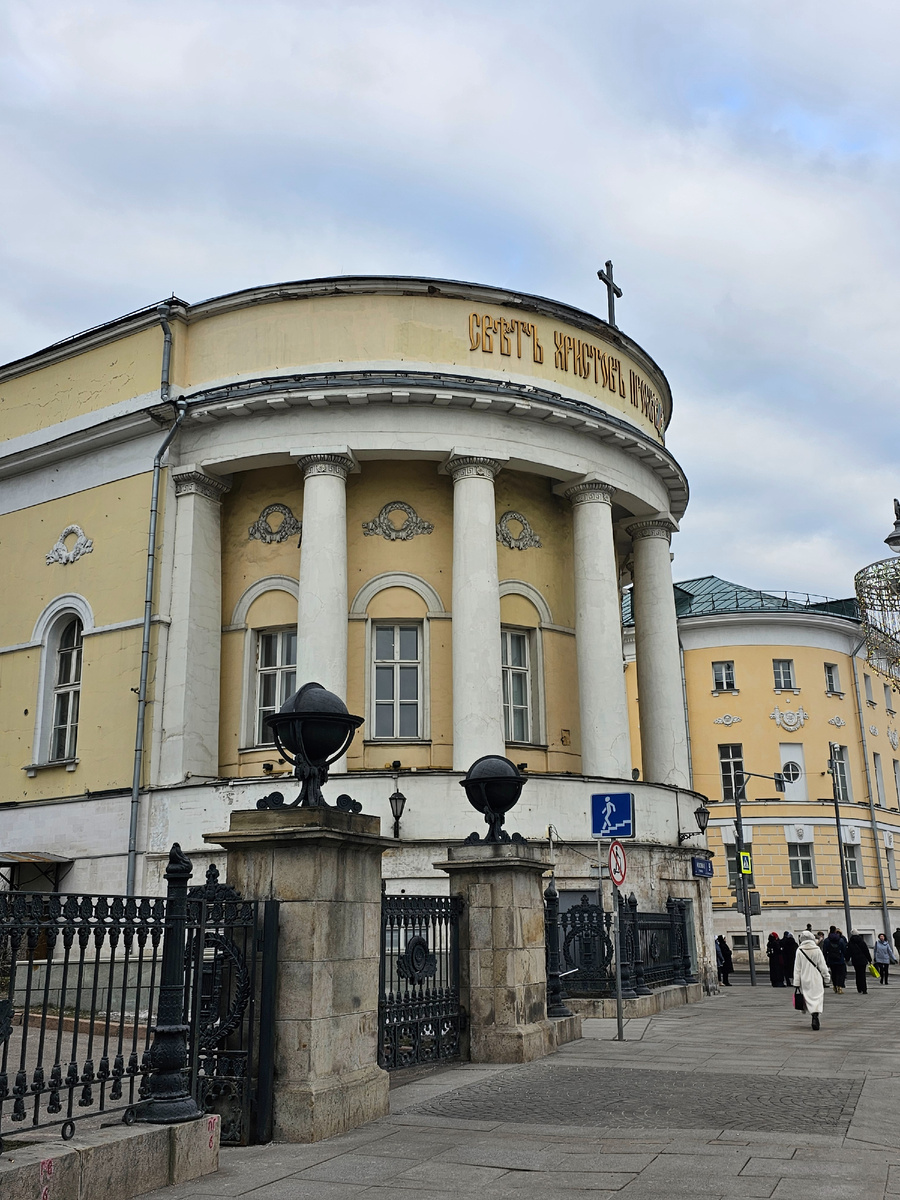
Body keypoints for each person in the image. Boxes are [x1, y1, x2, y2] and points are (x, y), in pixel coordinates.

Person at [794, 929, 831, 1031]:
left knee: (808, 997)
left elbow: (797, 968)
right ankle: (815, 1016)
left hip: (804, 978)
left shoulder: (799, 950)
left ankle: (812, 1015)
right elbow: (822, 965)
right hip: (816, 978)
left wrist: (796, 982)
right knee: (817, 997)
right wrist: (826, 977)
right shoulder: (817, 949)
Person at [822, 927, 849, 993]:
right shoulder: (840, 940)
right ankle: (839, 986)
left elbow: (824, 951)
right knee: (840, 973)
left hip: (831, 959)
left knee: (833, 973)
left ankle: (834, 986)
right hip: (840, 959)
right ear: (835, 931)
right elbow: (844, 950)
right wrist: (846, 957)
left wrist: (825, 960)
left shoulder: (827, 940)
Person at [847, 930, 872, 994]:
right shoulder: (862, 941)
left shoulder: (850, 942)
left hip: (855, 960)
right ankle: (864, 989)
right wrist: (869, 959)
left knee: (857, 974)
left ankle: (859, 988)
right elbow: (866, 951)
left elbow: (849, 952)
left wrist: (847, 959)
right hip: (863, 960)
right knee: (862, 975)